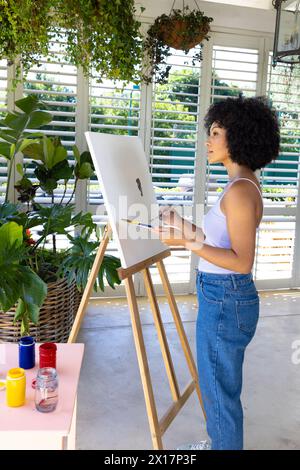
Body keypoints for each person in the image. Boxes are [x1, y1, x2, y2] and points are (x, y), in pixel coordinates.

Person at [153, 96, 280, 450]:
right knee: (216, 385)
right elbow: (216, 240)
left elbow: (240, 260)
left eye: (216, 132)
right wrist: (182, 227)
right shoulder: (239, 184)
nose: (207, 141)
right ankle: (219, 443)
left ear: (237, 136)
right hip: (223, 296)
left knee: (218, 391)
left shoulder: (240, 191)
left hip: (225, 298)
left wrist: (189, 243)